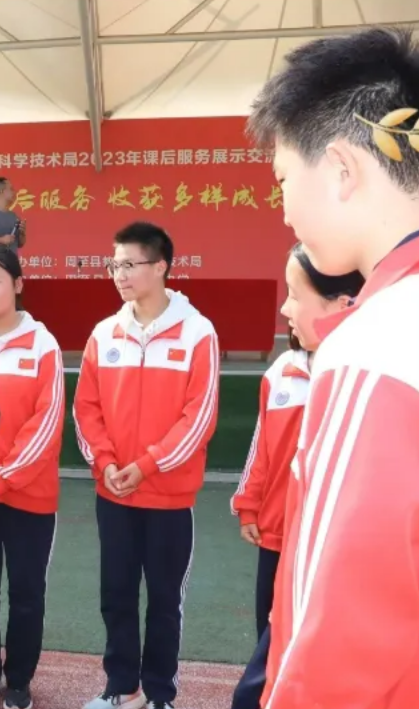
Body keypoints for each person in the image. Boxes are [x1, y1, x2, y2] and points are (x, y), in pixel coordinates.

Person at [246, 27, 419, 709]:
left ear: (342, 170)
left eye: (284, 180)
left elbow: (337, 626)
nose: (284, 207)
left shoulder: (374, 341)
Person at [73, 221, 219, 709]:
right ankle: (122, 689)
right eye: (114, 265)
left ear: (161, 267)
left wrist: (148, 465)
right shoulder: (103, 333)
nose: (119, 274)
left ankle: (158, 694)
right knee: (116, 595)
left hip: (168, 498)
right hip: (113, 492)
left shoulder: (198, 333)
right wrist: (106, 463)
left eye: (129, 265)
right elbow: (86, 408)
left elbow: (199, 418)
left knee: (163, 601)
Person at [229, 246, 363, 709]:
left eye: (294, 294)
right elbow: (261, 448)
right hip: (278, 534)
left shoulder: (361, 376)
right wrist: (249, 503)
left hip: (328, 544)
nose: (284, 309)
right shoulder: (280, 373)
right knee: (270, 638)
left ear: (342, 304)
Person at [0, 245, 63, 709]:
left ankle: (19, 680)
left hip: (28, 497)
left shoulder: (43, 344)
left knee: (26, 592)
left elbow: (46, 424)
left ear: (18, 284)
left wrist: (1, 479)